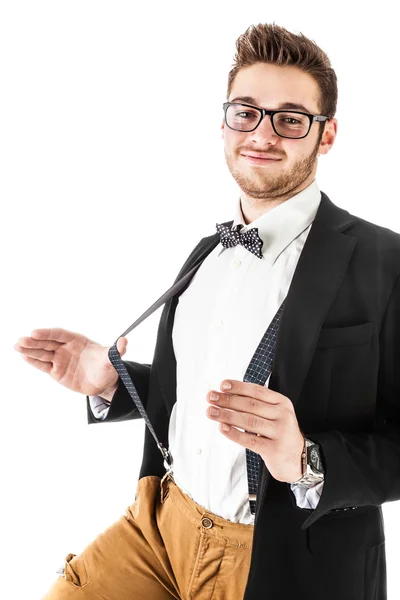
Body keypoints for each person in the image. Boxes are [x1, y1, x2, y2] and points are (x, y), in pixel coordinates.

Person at [14, 22, 395, 600]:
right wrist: (112, 382)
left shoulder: (384, 262)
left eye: (290, 118)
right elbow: (194, 398)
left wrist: (307, 459)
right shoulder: (208, 253)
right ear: (223, 123)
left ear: (327, 135)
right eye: (246, 112)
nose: (263, 134)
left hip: (278, 559)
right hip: (158, 527)